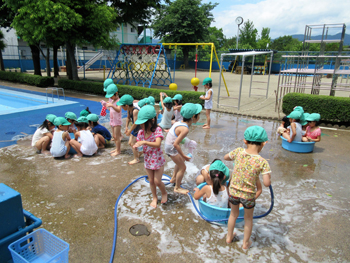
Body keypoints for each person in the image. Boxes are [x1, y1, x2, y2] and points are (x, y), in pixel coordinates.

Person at [224, 126, 271, 249]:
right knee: (248, 219)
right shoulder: (262, 162)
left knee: (233, 215)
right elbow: (266, 183)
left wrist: (234, 157)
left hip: (233, 191)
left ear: (245, 141)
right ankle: (245, 243)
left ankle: (229, 237)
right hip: (248, 195)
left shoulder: (238, 151)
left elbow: (225, 157)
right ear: (263, 143)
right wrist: (268, 177)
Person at [133, 105, 167, 208]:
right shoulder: (140, 133)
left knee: (157, 181)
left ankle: (164, 193)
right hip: (148, 161)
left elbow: (157, 144)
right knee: (151, 181)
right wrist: (137, 148)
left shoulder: (157, 130)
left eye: (143, 123)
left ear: (152, 120)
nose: (141, 125)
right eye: (141, 123)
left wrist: (144, 142)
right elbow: (142, 149)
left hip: (158, 160)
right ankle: (154, 197)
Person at [164, 103, 202, 194]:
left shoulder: (179, 122)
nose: (200, 116)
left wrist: (187, 142)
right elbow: (176, 144)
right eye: (199, 114)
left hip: (169, 145)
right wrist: (184, 155)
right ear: (193, 116)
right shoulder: (185, 129)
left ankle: (173, 178)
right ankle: (177, 187)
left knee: (180, 161)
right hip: (171, 148)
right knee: (183, 167)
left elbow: (176, 136)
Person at [117, 94, 141, 164]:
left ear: (126, 105)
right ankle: (140, 151)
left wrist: (130, 131)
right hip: (135, 127)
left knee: (132, 143)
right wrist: (126, 127)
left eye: (122, 105)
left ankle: (136, 159)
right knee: (130, 143)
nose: (121, 107)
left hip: (138, 127)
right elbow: (128, 118)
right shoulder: (129, 110)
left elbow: (136, 123)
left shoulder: (135, 111)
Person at [104, 84, 122, 156]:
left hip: (117, 121)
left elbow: (118, 110)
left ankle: (118, 150)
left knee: (117, 137)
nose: (111, 97)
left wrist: (111, 105)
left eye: (111, 95)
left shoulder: (119, 101)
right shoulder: (112, 100)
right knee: (114, 136)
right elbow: (110, 108)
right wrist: (106, 104)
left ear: (116, 93)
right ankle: (116, 148)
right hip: (112, 120)